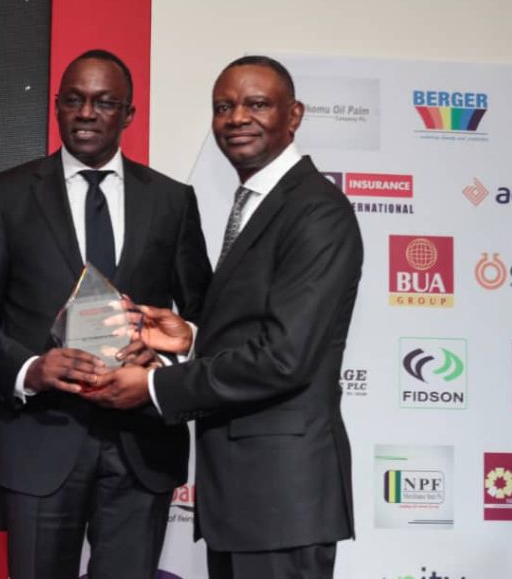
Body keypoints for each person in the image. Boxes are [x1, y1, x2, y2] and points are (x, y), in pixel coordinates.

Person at [89, 56, 363, 579]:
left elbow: (284, 358)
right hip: (243, 502)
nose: (237, 117)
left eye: (256, 104)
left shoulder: (317, 212)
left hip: (283, 501)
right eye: (224, 107)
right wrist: (190, 337)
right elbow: (255, 329)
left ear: (294, 115)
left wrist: (153, 388)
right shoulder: (261, 203)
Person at [0, 49, 212, 579]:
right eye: (74, 100)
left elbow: (205, 321)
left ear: (128, 114)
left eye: (103, 102)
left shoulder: (172, 201)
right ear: (57, 107)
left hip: (143, 447)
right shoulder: (6, 195)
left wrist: (160, 368)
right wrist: (30, 369)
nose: (86, 113)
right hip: (42, 442)